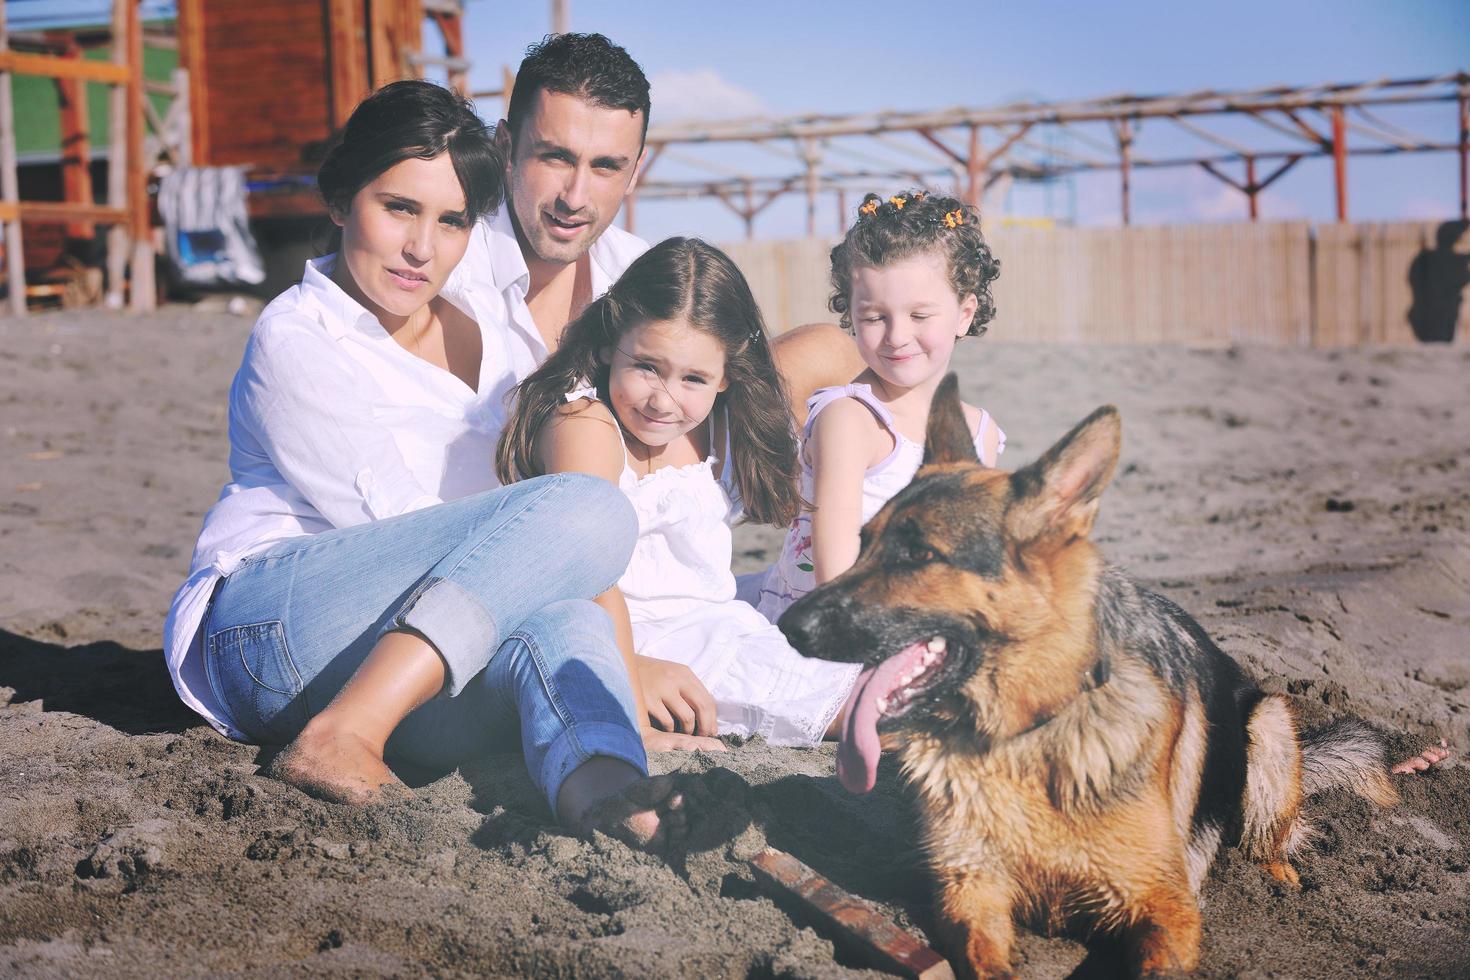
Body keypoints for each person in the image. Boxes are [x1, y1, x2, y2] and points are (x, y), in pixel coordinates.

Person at [162, 80, 710, 853]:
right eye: (399, 208)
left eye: (452, 221)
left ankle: (609, 786)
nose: (424, 248)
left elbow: (511, 560)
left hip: (419, 647)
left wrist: (623, 673)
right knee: (588, 509)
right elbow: (410, 522)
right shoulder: (300, 337)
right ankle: (346, 731)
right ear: (342, 199)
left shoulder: (493, 326)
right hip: (272, 629)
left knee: (568, 619)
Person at [496, 237, 861, 746]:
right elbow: (592, 568)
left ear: (728, 376)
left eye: (694, 377)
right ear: (607, 344)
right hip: (635, 641)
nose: (664, 401)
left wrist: (872, 453)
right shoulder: (585, 422)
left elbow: (834, 348)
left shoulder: (726, 421)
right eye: (647, 366)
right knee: (871, 710)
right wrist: (629, 683)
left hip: (723, 621)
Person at [448, 32, 864, 426]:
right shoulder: (447, 272)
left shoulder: (637, 271)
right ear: (505, 146)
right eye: (556, 157)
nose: (575, 197)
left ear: (634, 173)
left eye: (606, 166)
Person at [752, 191, 1005, 621]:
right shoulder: (851, 420)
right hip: (836, 625)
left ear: (964, 314)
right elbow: (836, 575)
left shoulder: (980, 431)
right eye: (874, 317)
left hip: (922, 612)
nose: (897, 336)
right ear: (850, 315)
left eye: (919, 316)